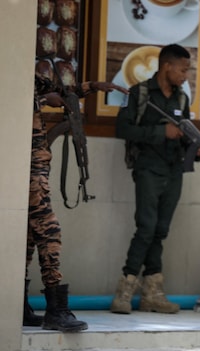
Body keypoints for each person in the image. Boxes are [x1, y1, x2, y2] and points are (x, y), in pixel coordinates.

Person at [26, 73, 127, 331]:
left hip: (36, 170)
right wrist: (38, 99)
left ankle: (20, 305)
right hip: (26, 172)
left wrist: (93, 86)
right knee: (49, 233)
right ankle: (56, 310)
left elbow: (62, 90)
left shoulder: (30, 74)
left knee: (28, 238)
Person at [111, 44, 200, 314]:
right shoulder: (137, 93)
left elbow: (185, 132)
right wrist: (160, 132)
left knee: (159, 231)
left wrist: (196, 149)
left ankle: (152, 293)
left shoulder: (182, 99)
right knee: (146, 227)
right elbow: (123, 128)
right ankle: (125, 290)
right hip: (148, 169)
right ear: (167, 66)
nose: (186, 75)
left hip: (174, 170)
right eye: (183, 69)